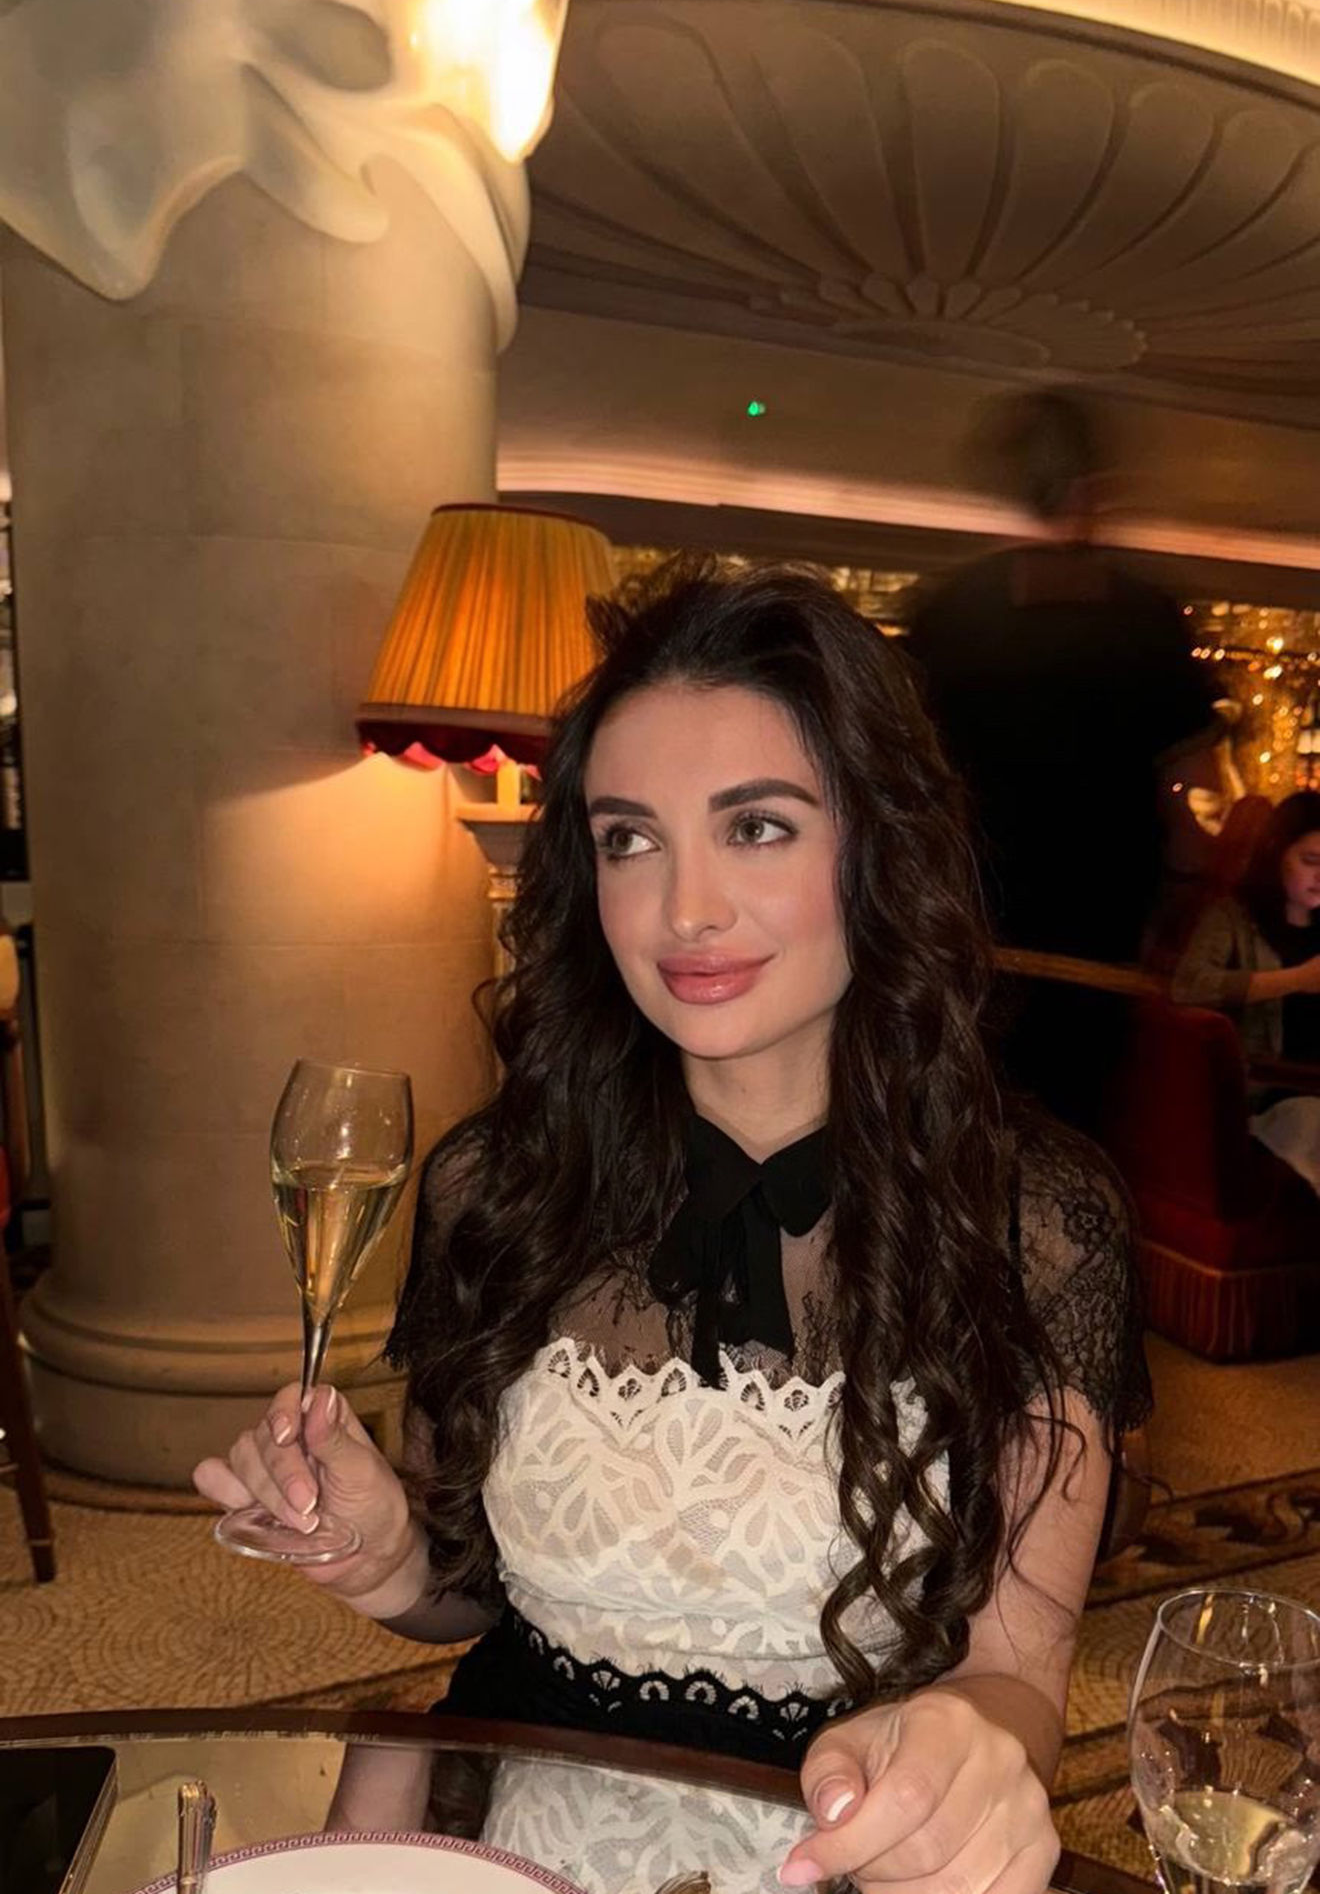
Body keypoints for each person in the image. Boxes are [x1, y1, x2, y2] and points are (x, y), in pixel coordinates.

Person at [196, 556, 1148, 1894]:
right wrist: (385, 1553)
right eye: (629, 839)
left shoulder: (1036, 1219)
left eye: (756, 826)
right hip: (520, 1850)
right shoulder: (497, 1184)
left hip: (841, 1856)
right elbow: (468, 1597)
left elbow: (1015, 1679)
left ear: (879, 848)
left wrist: (972, 1741)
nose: (683, 909)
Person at [906, 386, 1218, 967]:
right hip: (1104, 926)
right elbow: (1196, 792)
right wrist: (1181, 905)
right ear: (1091, 487)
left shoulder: (947, 613)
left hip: (968, 926)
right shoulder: (1146, 617)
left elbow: (902, 779)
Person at [1172, 789, 1320, 1191]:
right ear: (1277, 854)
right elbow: (1188, 984)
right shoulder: (1233, 916)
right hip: (1272, 1094)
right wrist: (1296, 979)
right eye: (1310, 861)